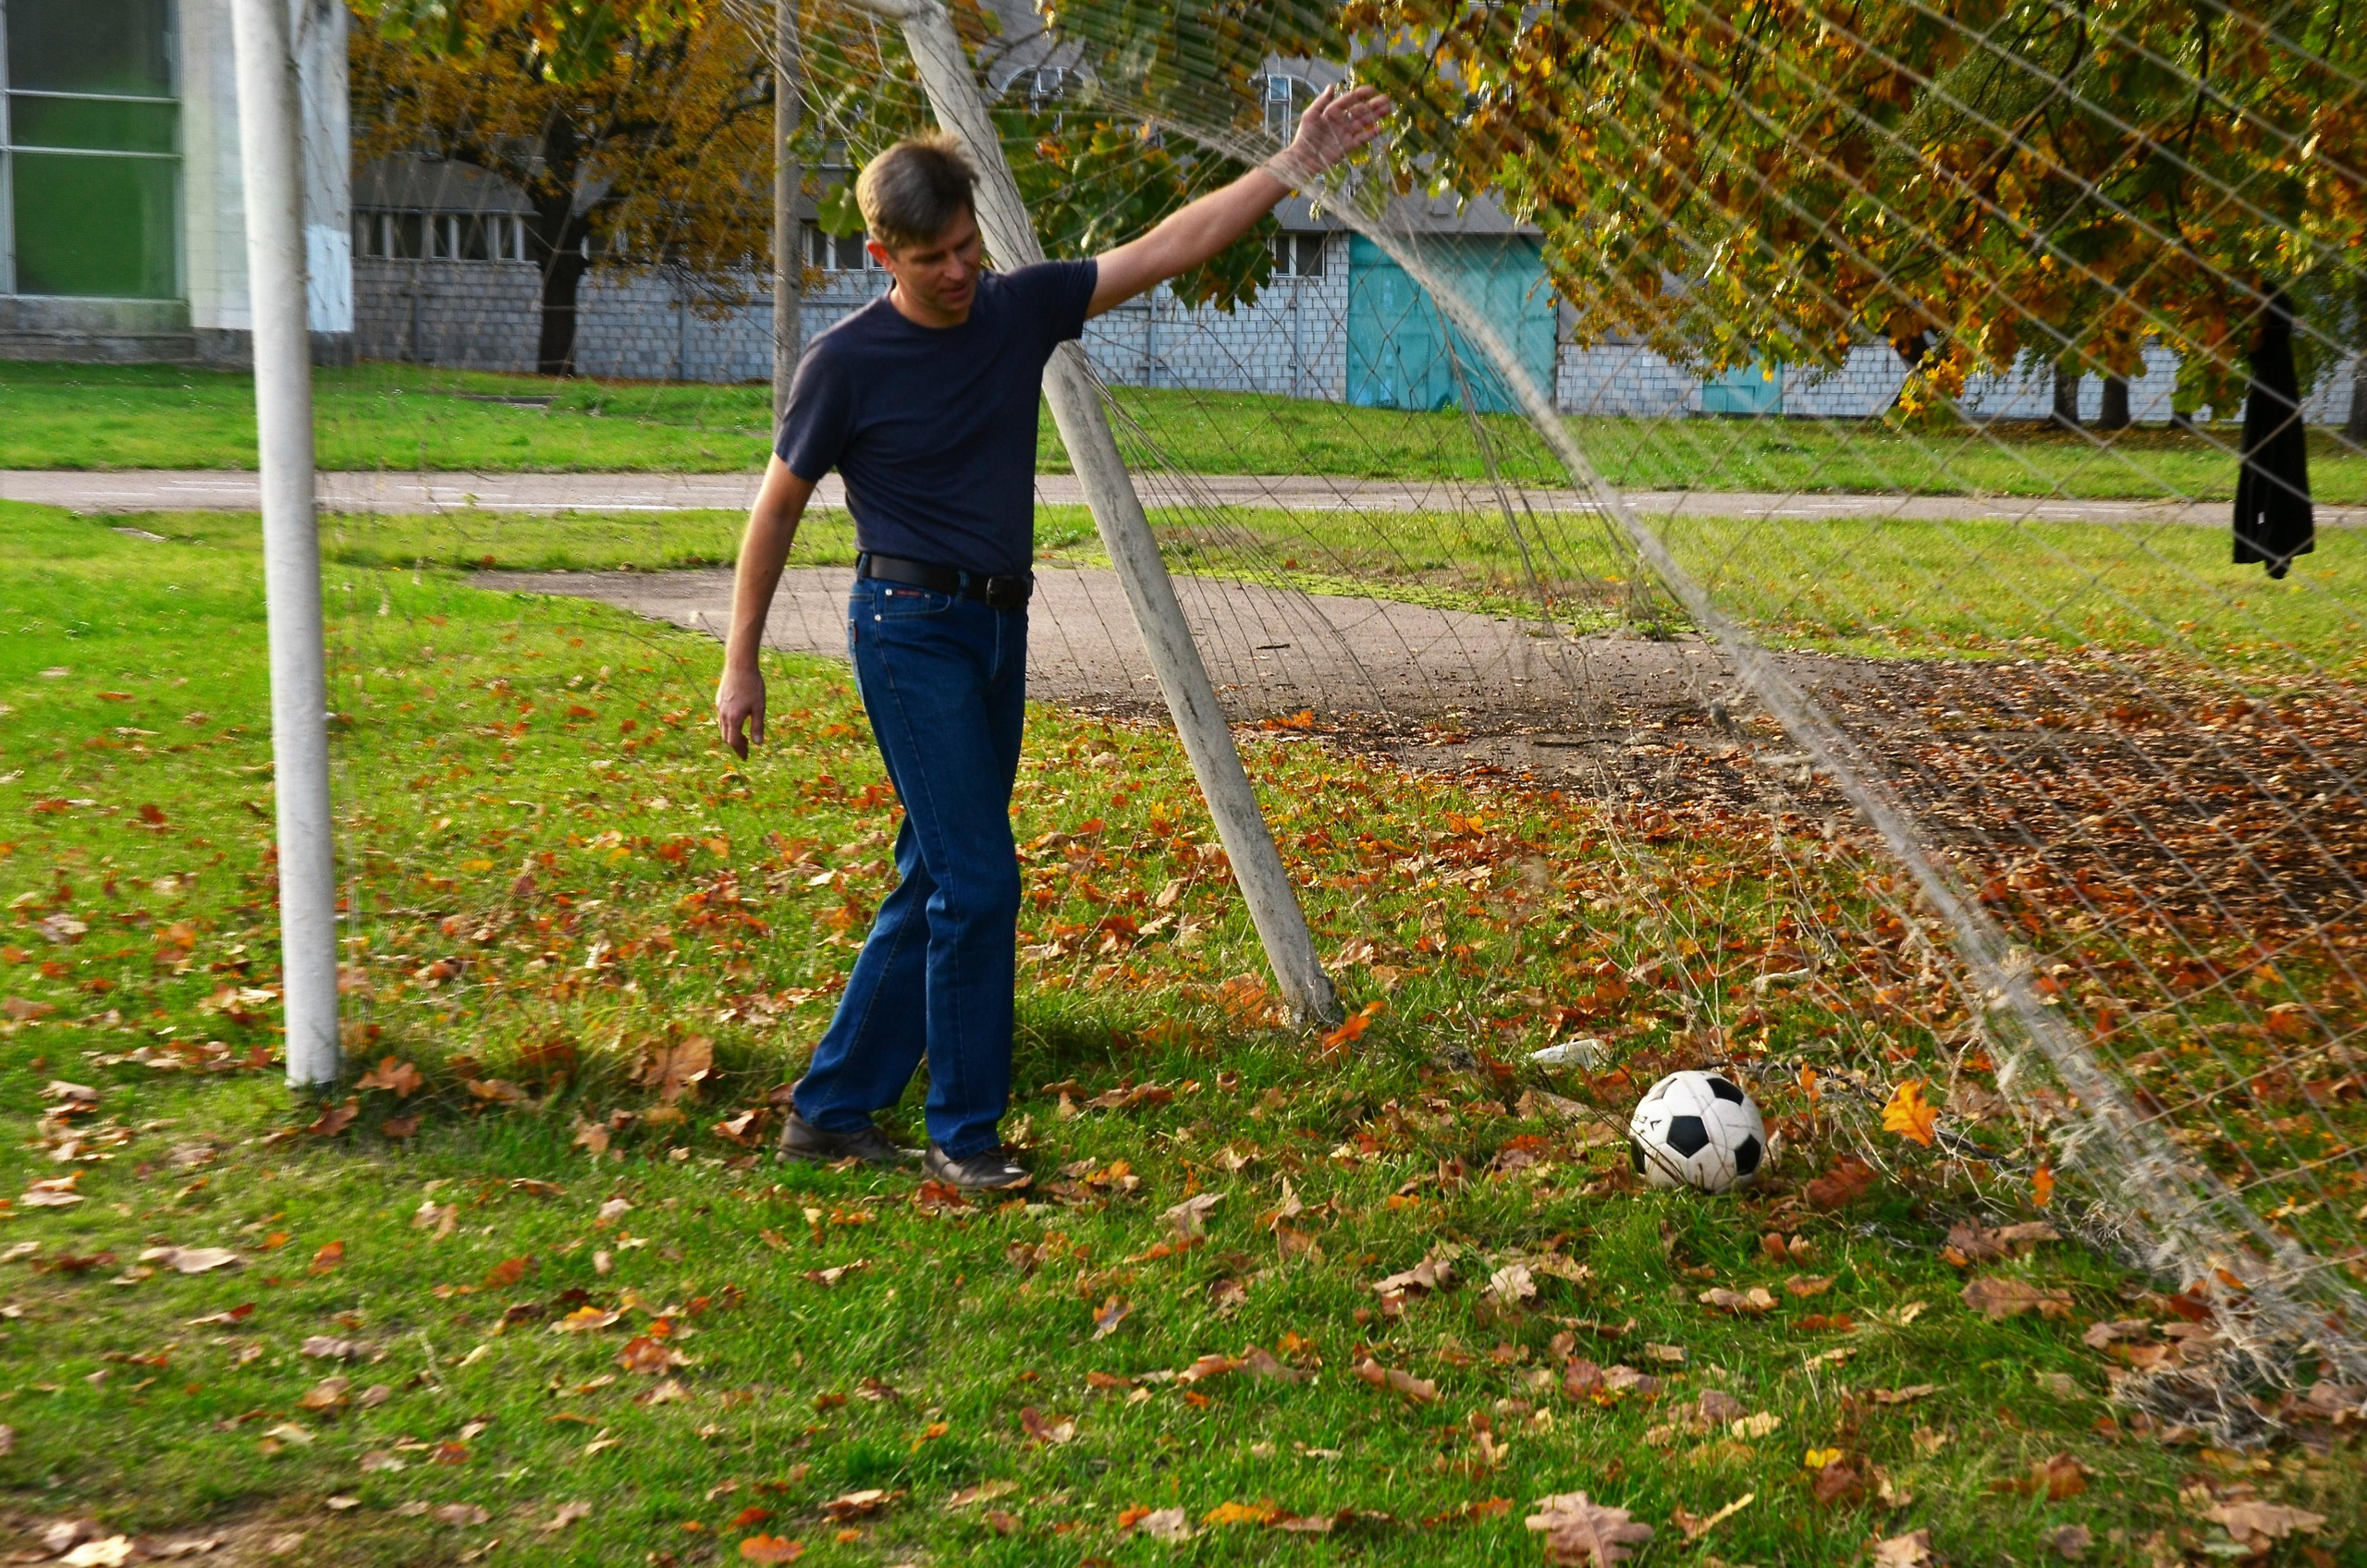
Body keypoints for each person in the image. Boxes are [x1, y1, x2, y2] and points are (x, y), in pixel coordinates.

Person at [714, 83, 1390, 1189]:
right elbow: (774, 509)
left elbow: (1170, 244)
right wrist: (740, 663)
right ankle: (963, 1137)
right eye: (932, 257)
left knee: (933, 872)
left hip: (996, 630)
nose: (957, 272)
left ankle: (832, 1108)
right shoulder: (842, 365)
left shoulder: (1017, 310)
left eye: (968, 249)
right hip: (906, 630)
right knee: (979, 883)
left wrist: (1293, 163)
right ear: (881, 253)